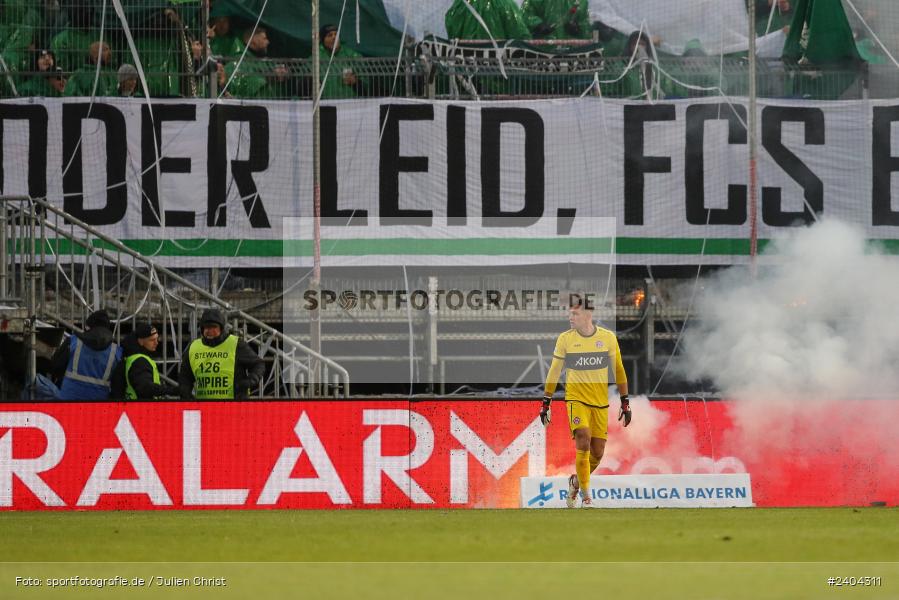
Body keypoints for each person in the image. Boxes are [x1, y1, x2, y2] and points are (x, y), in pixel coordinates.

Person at [540, 293, 630, 508]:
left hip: (599, 402)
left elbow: (618, 369)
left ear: (588, 314)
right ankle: (587, 497)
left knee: (598, 453)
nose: (570, 317)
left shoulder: (607, 338)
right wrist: (546, 401)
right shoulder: (565, 339)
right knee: (583, 438)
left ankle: (576, 482)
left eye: (575, 313)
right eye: (570, 313)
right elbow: (554, 372)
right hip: (576, 399)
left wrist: (625, 401)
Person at [179, 308, 264, 399]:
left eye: (213, 327)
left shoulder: (235, 344)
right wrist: (186, 394)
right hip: (204, 406)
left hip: (234, 405)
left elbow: (258, 364)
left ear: (221, 328)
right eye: (207, 327)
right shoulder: (193, 347)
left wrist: (250, 380)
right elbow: (185, 376)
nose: (210, 331)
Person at [53, 309, 123, 400]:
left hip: (69, 399)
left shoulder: (73, 341)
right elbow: (118, 383)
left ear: (88, 326)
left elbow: (56, 366)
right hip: (99, 404)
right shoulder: (116, 351)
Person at [111, 323, 179, 400]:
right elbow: (145, 388)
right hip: (141, 409)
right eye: (152, 340)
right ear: (140, 341)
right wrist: (173, 390)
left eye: (157, 339)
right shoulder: (139, 361)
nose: (156, 343)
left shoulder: (133, 356)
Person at [445, 0, 530, 41]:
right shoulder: (505, 4)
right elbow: (519, 34)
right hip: (498, 66)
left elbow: (452, 29)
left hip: (466, 66)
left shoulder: (461, 4)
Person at [318, 24, 363, 100]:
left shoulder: (351, 55)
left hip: (349, 104)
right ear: (323, 40)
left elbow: (366, 83)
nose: (334, 37)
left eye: (336, 34)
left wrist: (356, 82)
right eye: (329, 35)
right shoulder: (317, 56)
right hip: (325, 105)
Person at [521, 0, 591, 40]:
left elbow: (585, 25)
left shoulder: (581, 1)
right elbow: (525, 16)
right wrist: (539, 25)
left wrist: (577, 28)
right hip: (540, 53)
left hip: (572, 53)